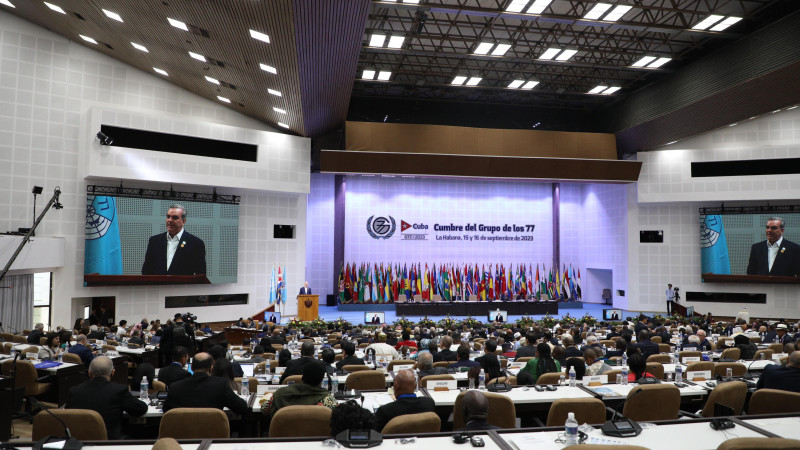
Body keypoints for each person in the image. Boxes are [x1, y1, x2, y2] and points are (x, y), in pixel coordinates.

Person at [65, 356, 148, 440]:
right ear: (113, 372)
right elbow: (140, 409)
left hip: (79, 442)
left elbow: (67, 416)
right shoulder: (119, 390)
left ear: (89, 373)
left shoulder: (74, 391)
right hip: (109, 443)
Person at [163, 352, 249, 415]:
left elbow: (166, 411)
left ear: (191, 367)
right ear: (211, 368)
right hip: (213, 436)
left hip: (183, 437)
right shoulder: (220, 385)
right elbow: (242, 408)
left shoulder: (175, 387)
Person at [141, 204, 207, 276]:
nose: (170, 220)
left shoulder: (195, 243)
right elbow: (146, 270)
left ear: (183, 221)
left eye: (175, 217)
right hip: (158, 286)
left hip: (183, 286)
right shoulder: (154, 241)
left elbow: (200, 274)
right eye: (168, 217)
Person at [263, 362, 336, 419]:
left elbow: (265, 409)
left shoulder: (280, 394)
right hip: (315, 437)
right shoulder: (328, 400)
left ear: (303, 377)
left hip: (283, 436)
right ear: (321, 380)